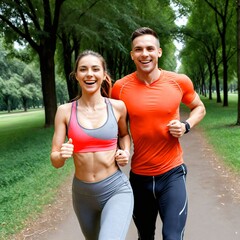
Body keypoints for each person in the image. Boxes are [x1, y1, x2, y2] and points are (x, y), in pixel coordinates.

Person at [111, 27, 206, 240]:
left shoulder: (179, 81)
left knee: (172, 236)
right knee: (145, 236)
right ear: (132, 55)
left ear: (159, 52)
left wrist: (186, 126)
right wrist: (121, 151)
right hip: (139, 177)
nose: (144, 54)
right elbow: (117, 129)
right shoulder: (119, 88)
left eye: (149, 48)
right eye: (138, 49)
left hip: (172, 173)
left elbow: (199, 107)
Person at [50, 50, 134, 240]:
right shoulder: (64, 111)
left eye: (95, 69)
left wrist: (126, 152)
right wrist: (61, 155)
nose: (89, 74)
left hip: (115, 189)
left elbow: (124, 135)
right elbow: (55, 160)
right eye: (83, 69)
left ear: (104, 75)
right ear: (76, 75)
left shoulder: (117, 107)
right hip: (82, 194)